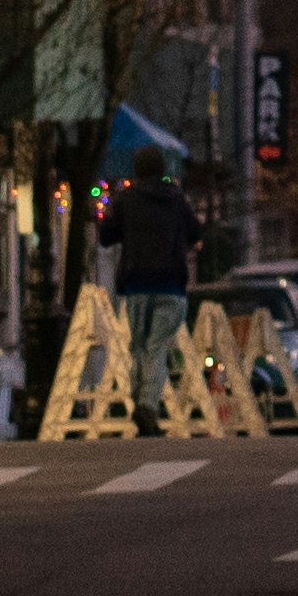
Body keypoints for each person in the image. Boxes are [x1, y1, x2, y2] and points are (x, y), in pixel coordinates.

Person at [109, 150, 200, 431]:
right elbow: (196, 233)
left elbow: (106, 235)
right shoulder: (176, 200)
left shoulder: (126, 200)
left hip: (136, 284)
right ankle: (147, 405)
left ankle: (140, 402)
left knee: (137, 346)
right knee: (157, 347)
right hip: (171, 286)